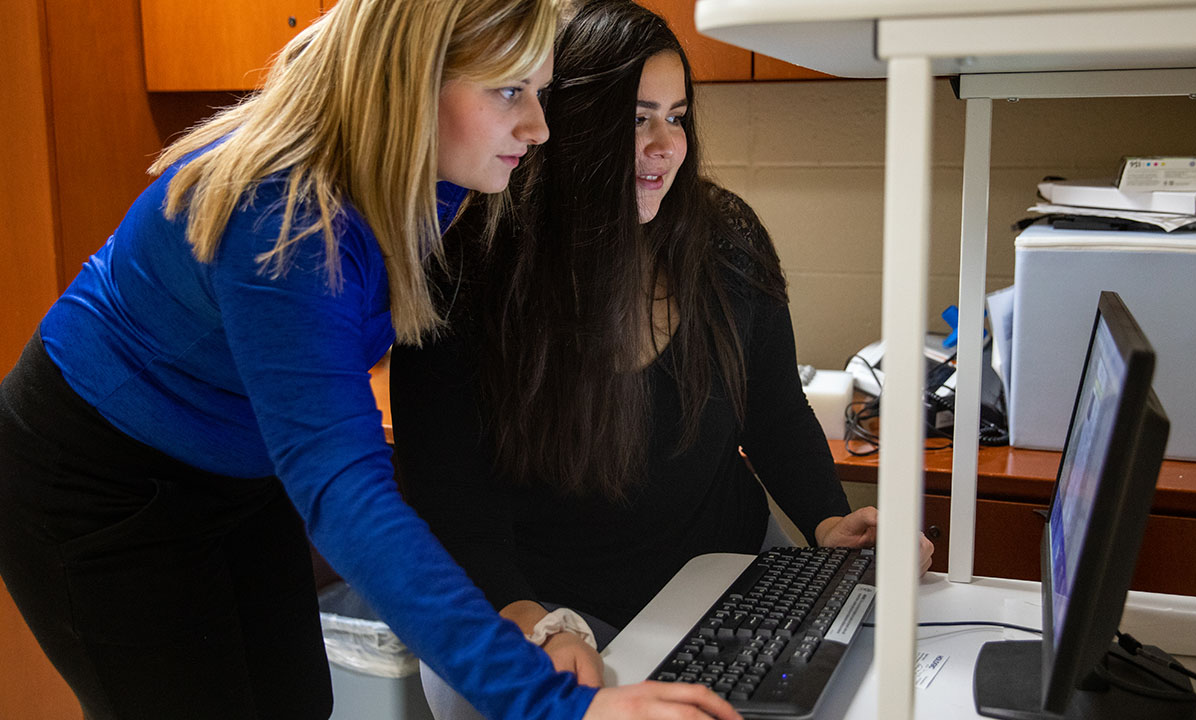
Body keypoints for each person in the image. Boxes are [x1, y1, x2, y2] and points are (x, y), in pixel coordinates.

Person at [0, 1, 740, 719]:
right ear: (412, 80)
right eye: (511, 91)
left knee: (295, 702)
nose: (539, 126)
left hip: (239, 465)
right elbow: (344, 491)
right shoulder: (284, 222)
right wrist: (557, 707)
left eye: (540, 92)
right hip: (97, 477)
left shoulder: (435, 172)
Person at [391, 0, 935, 713]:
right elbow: (451, 506)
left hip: (727, 567)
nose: (664, 145)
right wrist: (535, 621)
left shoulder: (725, 242)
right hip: (559, 606)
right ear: (564, 120)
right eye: (636, 118)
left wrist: (830, 519)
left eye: (677, 117)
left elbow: (770, 408)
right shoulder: (470, 271)